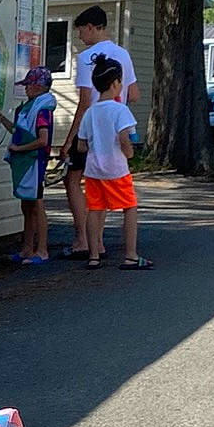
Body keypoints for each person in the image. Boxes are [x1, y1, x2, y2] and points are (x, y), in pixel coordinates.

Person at [59, 6, 139, 259]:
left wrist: (69, 140)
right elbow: (134, 94)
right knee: (107, 189)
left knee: (73, 180)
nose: (80, 36)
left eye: (81, 31)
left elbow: (85, 101)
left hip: (92, 126)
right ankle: (101, 242)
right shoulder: (123, 54)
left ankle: (83, 239)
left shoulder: (87, 58)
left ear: (91, 27)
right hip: (116, 129)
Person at [75, 56, 151, 268]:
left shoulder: (90, 113)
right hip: (116, 169)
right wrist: (129, 152)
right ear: (115, 83)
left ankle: (93, 256)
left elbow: (81, 145)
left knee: (94, 209)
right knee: (130, 207)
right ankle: (131, 255)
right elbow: (124, 137)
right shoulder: (120, 110)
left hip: (93, 169)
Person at [0, 66, 56, 263]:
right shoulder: (28, 107)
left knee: (37, 204)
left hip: (35, 161)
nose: (25, 89)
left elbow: (43, 140)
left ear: (39, 86)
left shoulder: (43, 110)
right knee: (27, 205)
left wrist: (19, 148)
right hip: (24, 162)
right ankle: (27, 248)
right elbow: (17, 130)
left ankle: (42, 250)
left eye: (28, 85)